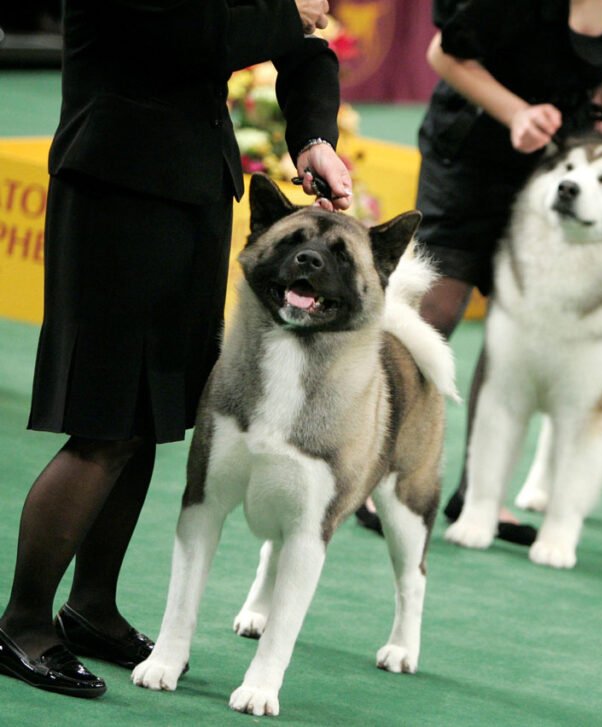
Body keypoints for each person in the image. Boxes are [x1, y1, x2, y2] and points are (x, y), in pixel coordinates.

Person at [0, 0, 352, 699]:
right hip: (118, 187)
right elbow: (185, 35)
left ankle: (92, 606)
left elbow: (304, 48)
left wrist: (313, 134)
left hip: (194, 187)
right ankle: (24, 623)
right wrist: (289, 12)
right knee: (103, 422)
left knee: (148, 417)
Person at [353, 0, 602, 543]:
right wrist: (517, 111)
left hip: (549, 169)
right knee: (434, 313)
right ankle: (372, 473)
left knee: (515, 330)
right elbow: (443, 55)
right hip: (469, 152)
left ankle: (480, 497)